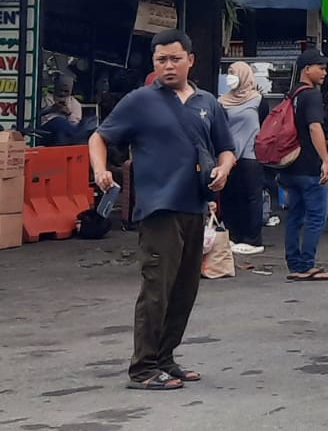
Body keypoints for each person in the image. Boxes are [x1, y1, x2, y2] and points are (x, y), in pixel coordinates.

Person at [88, 30, 236, 391]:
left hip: (195, 206)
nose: (168, 66)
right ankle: (143, 368)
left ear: (190, 60)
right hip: (158, 209)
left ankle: (166, 358)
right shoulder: (140, 101)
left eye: (174, 59)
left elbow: (226, 148)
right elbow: (99, 137)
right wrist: (100, 169)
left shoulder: (207, 102)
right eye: (161, 60)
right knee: (157, 288)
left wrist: (224, 169)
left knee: (184, 290)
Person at [281, 51, 328, 282]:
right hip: (310, 166)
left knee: (295, 216)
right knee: (316, 216)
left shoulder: (292, 95)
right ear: (306, 69)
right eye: (320, 68)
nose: (324, 72)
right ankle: (307, 265)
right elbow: (314, 127)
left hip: (290, 164)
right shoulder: (312, 95)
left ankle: (294, 264)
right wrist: (325, 160)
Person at [218, 62, 265, 256]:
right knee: (230, 196)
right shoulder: (221, 101)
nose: (230, 76)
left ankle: (252, 238)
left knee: (251, 196)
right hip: (229, 156)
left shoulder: (258, 100)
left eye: (234, 73)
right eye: (229, 73)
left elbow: (264, 125)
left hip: (251, 155)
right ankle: (233, 235)